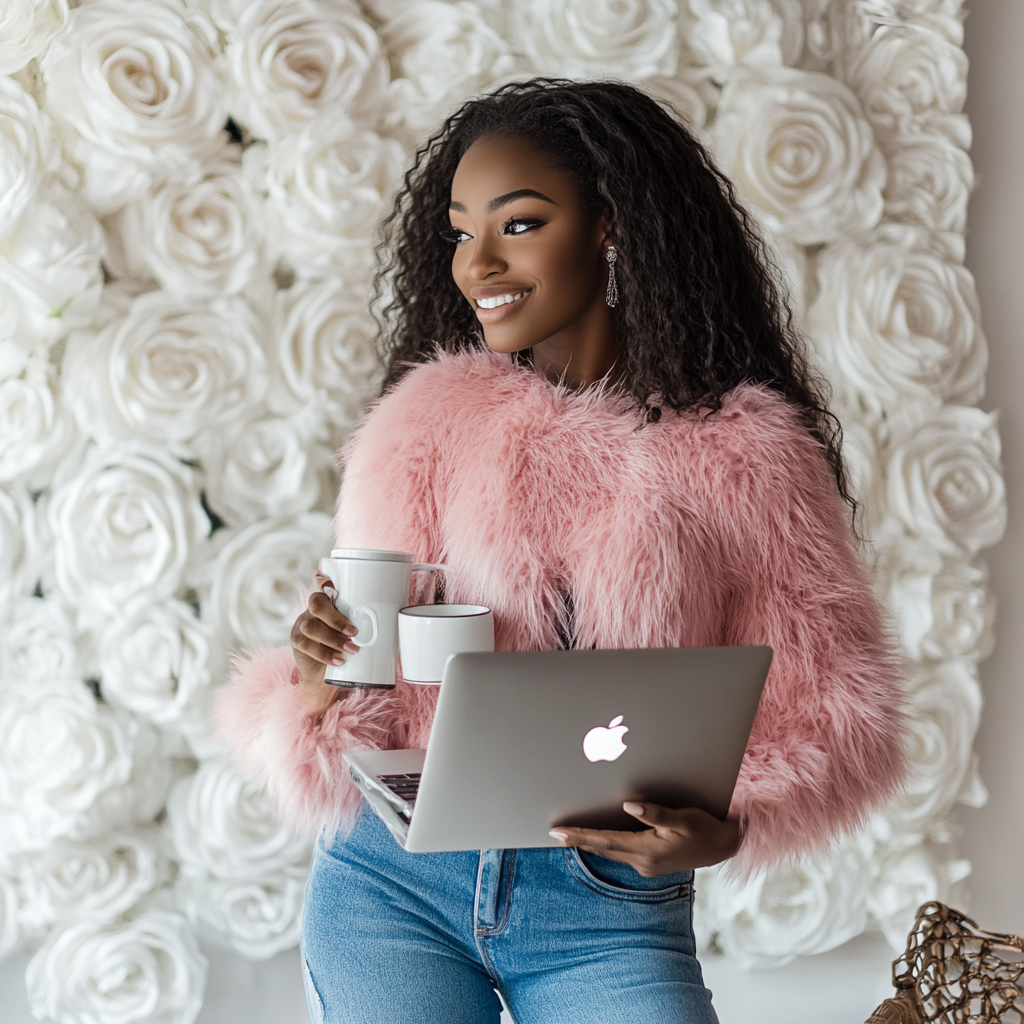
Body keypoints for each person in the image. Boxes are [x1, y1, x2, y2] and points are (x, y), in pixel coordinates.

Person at [214, 78, 906, 1024]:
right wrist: (313, 675)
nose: (477, 263)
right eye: (460, 231)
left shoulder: (745, 458)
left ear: (612, 226)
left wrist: (725, 826)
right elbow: (365, 702)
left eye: (520, 223)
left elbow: (838, 713)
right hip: (394, 889)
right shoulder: (422, 427)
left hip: (608, 908)